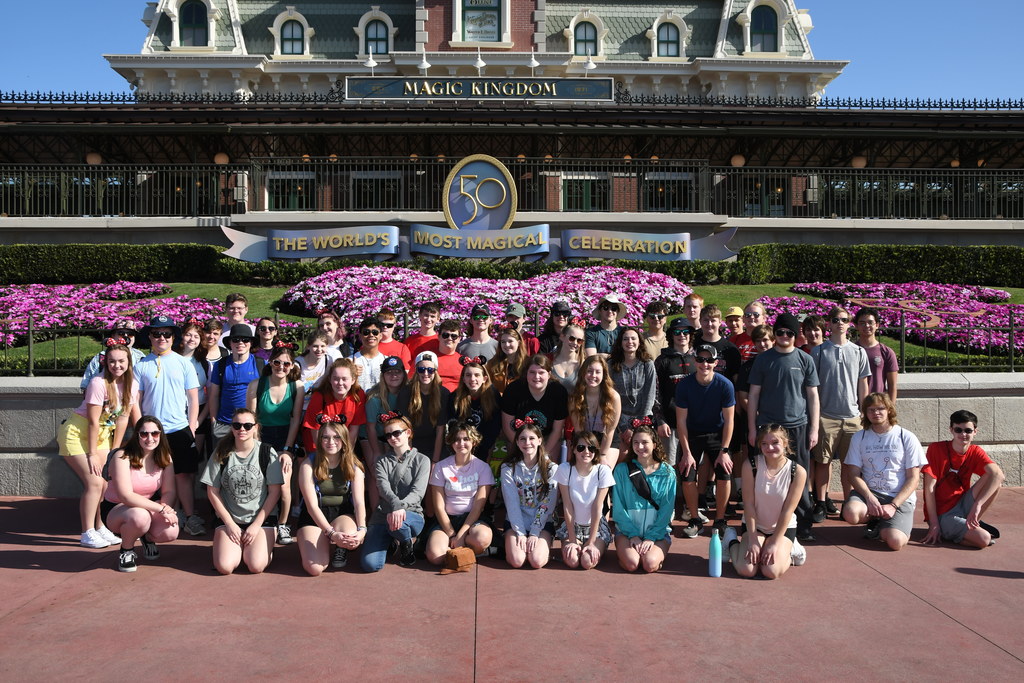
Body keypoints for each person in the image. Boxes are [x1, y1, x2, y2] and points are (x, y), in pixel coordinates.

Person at [747, 312, 819, 543]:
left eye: (790, 332)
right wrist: (751, 428)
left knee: (800, 476)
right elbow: (754, 396)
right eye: (780, 332)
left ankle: (803, 525)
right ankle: (760, 524)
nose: (785, 336)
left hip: (797, 426)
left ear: (796, 335)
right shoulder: (763, 360)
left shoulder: (805, 359)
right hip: (768, 427)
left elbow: (813, 396)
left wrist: (814, 429)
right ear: (774, 333)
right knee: (764, 477)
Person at [59, 339, 137, 548]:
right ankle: (87, 532)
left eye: (121, 361)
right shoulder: (98, 383)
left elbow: (122, 419)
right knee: (94, 483)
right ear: (105, 363)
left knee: (102, 484)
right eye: (112, 362)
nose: (116, 366)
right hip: (77, 433)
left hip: (103, 435)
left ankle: (100, 526)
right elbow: (93, 421)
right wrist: (93, 454)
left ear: (129, 362)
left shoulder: (132, 385)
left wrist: (114, 452)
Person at [134, 315, 204, 537]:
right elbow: (135, 400)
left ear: (174, 338)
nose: (161, 338)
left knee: (184, 475)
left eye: (166, 334)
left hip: (179, 429)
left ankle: (190, 516)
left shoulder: (184, 363)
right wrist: (140, 428)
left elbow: (193, 398)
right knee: (154, 475)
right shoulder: (141, 366)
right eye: (156, 334)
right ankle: (157, 518)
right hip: (151, 433)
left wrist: (192, 426)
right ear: (150, 337)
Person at [200, 408, 284, 574]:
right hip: (230, 519)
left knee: (255, 566)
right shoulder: (221, 452)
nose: (242, 429)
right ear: (231, 428)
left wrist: (255, 525)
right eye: (237, 425)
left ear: (255, 428)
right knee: (225, 567)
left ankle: (264, 547)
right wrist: (230, 524)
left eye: (247, 425)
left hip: (260, 520)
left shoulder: (266, 452)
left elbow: (274, 492)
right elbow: (212, 491)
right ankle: (236, 546)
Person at [842, 393, 925, 551]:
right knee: (851, 513)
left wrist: (894, 505)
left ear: (889, 410)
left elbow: (914, 478)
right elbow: (853, 474)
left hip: (898, 497)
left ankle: (884, 526)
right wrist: (870, 498)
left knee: (895, 542)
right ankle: (876, 518)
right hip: (871, 493)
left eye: (880, 408)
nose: (876, 413)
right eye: (871, 409)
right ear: (865, 413)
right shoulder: (859, 437)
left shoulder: (906, 437)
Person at [724, 425, 808, 579]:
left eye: (775, 442)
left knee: (770, 571)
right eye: (764, 443)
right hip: (755, 527)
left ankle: (792, 549)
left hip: (782, 528)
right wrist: (753, 540)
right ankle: (731, 542)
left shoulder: (798, 472)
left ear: (785, 443)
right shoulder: (750, 465)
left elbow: (787, 511)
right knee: (747, 570)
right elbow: (748, 505)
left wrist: (775, 543)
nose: (770, 447)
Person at [810, 306, 869, 521]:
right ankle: (820, 501)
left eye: (844, 319)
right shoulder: (819, 352)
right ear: (829, 324)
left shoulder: (859, 351)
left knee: (849, 464)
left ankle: (848, 501)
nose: (840, 323)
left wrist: (865, 414)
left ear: (849, 323)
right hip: (827, 416)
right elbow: (813, 387)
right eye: (835, 320)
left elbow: (863, 384)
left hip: (853, 417)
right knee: (823, 462)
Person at [103, 416, 179, 572]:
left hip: (147, 506)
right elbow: (126, 496)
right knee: (139, 517)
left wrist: (165, 507)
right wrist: (161, 509)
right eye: (144, 434)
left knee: (170, 530)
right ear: (136, 435)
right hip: (117, 509)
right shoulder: (122, 456)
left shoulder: (165, 458)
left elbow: (169, 491)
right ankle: (127, 550)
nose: (150, 438)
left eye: (155, 434)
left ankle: (146, 537)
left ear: (161, 435)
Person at [675, 344, 736, 538]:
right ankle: (694, 519)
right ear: (695, 361)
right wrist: (686, 452)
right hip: (692, 433)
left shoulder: (725, 384)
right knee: (687, 473)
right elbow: (681, 421)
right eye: (700, 359)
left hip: (717, 434)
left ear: (716, 363)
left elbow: (729, 420)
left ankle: (719, 520)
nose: (705, 364)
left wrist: (724, 451)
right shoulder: (684, 385)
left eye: (709, 360)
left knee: (724, 472)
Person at [246, 345, 304, 545]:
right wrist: (257, 448)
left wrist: (287, 450)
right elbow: (250, 420)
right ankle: (259, 520)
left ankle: (283, 524)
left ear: (292, 366)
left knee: (285, 485)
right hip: (261, 438)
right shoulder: (256, 385)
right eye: (277, 362)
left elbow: (296, 419)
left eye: (286, 363)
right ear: (270, 363)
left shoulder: (297, 387)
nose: (281, 366)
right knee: (259, 483)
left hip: (285, 439)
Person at [922, 409, 1004, 548]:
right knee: (984, 539)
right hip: (943, 514)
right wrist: (934, 524)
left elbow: (998, 475)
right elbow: (929, 489)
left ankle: (973, 521)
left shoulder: (975, 451)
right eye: (958, 430)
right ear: (951, 430)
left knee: (994, 482)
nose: (963, 434)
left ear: (975, 432)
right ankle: (950, 531)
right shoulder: (936, 449)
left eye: (968, 430)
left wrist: (977, 505)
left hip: (963, 503)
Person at [361, 413, 431, 572]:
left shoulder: (422, 460)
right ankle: (391, 539)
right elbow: (383, 488)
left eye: (396, 433)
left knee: (399, 523)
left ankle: (406, 542)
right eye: (388, 435)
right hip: (383, 514)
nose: (392, 438)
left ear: (408, 433)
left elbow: (417, 493)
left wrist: (400, 508)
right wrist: (396, 506)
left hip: (411, 515)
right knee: (370, 564)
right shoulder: (381, 461)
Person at [296, 421, 366, 575]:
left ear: (344, 440)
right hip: (314, 516)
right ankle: (321, 540)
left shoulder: (354, 465)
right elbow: (311, 506)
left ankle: (340, 547)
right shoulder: (308, 465)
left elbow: (359, 502)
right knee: (315, 568)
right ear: (320, 440)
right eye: (326, 437)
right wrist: (331, 533)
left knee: (352, 540)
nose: (331, 442)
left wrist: (362, 529)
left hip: (341, 514)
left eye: (336, 437)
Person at [425, 421, 495, 566]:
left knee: (481, 539)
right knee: (435, 556)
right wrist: (452, 534)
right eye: (457, 439)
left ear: (474, 442)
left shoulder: (483, 467)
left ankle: (467, 550)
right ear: (451, 443)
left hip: (473, 520)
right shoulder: (440, 467)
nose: (461, 443)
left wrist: (462, 534)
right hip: (446, 520)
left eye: (466, 439)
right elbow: (438, 506)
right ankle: (462, 553)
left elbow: (478, 506)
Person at [611, 424, 675, 573]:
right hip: (627, 533)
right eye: (636, 442)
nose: (640, 446)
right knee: (632, 564)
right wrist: (632, 535)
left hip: (658, 534)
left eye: (645, 442)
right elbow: (619, 509)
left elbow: (667, 510)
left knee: (649, 564)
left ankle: (656, 558)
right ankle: (627, 556)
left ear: (654, 444)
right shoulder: (621, 470)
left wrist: (651, 537)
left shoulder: (668, 472)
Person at [500, 421, 559, 569]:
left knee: (536, 561)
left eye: (532, 438)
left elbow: (548, 503)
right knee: (517, 560)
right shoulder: (508, 468)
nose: (527, 443)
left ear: (539, 441)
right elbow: (512, 503)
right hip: (516, 523)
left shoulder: (552, 469)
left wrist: (534, 532)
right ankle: (509, 545)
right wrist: (520, 533)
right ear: (517, 443)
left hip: (542, 523)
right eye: (522, 439)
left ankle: (544, 546)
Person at [554, 431, 615, 570]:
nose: (586, 452)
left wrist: (592, 541)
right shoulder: (565, 469)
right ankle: (579, 545)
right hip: (572, 526)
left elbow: (597, 507)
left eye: (591, 448)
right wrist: (573, 539)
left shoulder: (603, 471)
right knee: (572, 561)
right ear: (574, 449)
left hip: (596, 527)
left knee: (587, 562)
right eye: (581, 447)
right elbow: (567, 506)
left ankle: (598, 546)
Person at [500, 354, 569, 458]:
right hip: (519, 437)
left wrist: (542, 454)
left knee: (550, 462)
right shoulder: (513, 390)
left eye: (541, 372)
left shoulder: (558, 392)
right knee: (516, 459)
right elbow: (507, 426)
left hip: (547, 436)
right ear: (526, 373)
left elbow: (557, 430)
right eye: (532, 372)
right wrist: (523, 448)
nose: (536, 377)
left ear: (549, 374)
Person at [652, 317, 696, 473]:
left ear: (691, 335)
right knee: (670, 465)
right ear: (671, 335)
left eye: (685, 332)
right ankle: (673, 497)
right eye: (677, 332)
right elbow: (655, 394)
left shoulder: (699, 359)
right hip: (670, 423)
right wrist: (660, 420)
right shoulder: (662, 361)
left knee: (694, 464)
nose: (682, 335)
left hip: (694, 422)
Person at [208, 323, 263, 442]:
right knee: (221, 459)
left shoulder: (260, 364)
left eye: (245, 339)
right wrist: (213, 421)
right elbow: (214, 395)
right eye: (236, 340)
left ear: (251, 343)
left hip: (249, 425)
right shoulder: (221, 365)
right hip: (224, 423)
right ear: (230, 343)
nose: (240, 343)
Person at [302, 358, 367, 453]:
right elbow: (315, 429)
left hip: (342, 442)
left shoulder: (358, 395)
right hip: (318, 444)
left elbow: (354, 430)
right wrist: (323, 455)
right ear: (330, 379)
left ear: (353, 380)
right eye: (336, 379)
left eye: (344, 379)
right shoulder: (319, 396)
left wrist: (347, 454)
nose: (340, 383)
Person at [567, 356, 621, 468]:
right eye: (589, 371)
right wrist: (584, 450)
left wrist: (602, 455)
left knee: (603, 471)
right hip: (583, 437)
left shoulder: (613, 397)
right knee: (581, 468)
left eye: (598, 372)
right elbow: (578, 430)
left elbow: (610, 430)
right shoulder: (575, 397)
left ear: (604, 375)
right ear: (583, 373)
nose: (593, 376)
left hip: (606, 439)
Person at [397, 351, 451, 463]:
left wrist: (434, 462)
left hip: (435, 444)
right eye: (421, 369)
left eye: (430, 370)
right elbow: (405, 427)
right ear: (416, 371)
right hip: (411, 443)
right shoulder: (406, 393)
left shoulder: (443, 393)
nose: (426, 373)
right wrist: (410, 457)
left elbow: (440, 430)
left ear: (435, 371)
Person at [608, 326, 656, 450]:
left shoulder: (647, 364)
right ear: (620, 342)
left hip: (643, 417)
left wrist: (638, 424)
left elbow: (650, 395)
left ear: (639, 342)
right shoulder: (612, 365)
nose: (630, 342)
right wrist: (623, 428)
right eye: (626, 339)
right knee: (622, 455)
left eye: (633, 339)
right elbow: (609, 396)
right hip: (619, 419)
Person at [449, 360, 502, 465]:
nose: (472, 379)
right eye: (468, 375)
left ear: (484, 379)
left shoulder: (493, 396)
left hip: (485, 445)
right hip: (462, 445)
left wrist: (485, 448)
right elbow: (454, 426)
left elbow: (494, 427)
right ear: (463, 379)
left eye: (477, 375)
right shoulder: (455, 397)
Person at [365, 355, 407, 468]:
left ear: (404, 373)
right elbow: (370, 428)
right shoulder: (374, 398)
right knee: (376, 469)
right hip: (372, 436)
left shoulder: (408, 393)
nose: (394, 376)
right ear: (382, 376)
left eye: (397, 372)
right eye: (389, 372)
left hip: (393, 436)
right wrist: (376, 452)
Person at [175, 318, 210, 455]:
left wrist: (198, 421)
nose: (192, 339)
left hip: (198, 413)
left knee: (193, 456)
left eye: (196, 336)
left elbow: (210, 396)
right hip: (176, 411)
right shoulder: (172, 359)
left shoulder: (204, 363)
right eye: (188, 335)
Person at [80, 319, 144, 390]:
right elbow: (87, 385)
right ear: (113, 335)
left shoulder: (140, 356)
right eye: (121, 333)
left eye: (130, 334)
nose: (126, 336)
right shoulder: (101, 357)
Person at [854, 306, 898, 401]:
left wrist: (890, 409)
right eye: (862, 323)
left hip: (878, 405)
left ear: (877, 325)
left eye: (870, 322)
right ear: (856, 326)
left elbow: (892, 385)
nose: (866, 326)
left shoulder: (886, 352)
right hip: (854, 407)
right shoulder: (851, 351)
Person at [694, 304, 740, 381]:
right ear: (700, 321)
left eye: (713, 320)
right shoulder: (693, 345)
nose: (709, 324)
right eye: (706, 320)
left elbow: (735, 377)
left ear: (720, 322)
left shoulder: (731, 349)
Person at [296, 331, 333, 409]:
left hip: (319, 405)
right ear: (308, 346)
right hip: (301, 406)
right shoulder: (298, 364)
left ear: (327, 346)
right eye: (315, 346)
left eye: (322, 346)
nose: (319, 350)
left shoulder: (328, 360)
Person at [485, 326, 527, 393]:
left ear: (518, 343)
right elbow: (487, 386)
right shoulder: (492, 364)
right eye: (503, 342)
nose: (506, 345)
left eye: (510, 341)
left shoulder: (527, 363)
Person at [584, 294, 626, 359]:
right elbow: (591, 357)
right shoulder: (591, 332)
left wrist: (601, 355)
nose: (610, 311)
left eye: (613, 308)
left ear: (617, 312)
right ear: (600, 311)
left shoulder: (624, 332)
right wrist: (616, 357)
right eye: (605, 308)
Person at [351, 317, 387, 393]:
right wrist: (350, 373)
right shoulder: (350, 361)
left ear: (380, 336)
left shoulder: (386, 360)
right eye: (366, 332)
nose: (371, 335)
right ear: (360, 336)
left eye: (375, 332)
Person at [549, 323, 584, 392]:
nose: (575, 343)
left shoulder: (583, 364)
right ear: (562, 337)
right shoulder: (548, 359)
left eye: (579, 341)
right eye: (572, 338)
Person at [435, 319, 466, 392]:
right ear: (439, 337)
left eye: (454, 336)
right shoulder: (428, 359)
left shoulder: (463, 361)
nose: (449, 338)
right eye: (445, 335)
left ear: (459, 339)